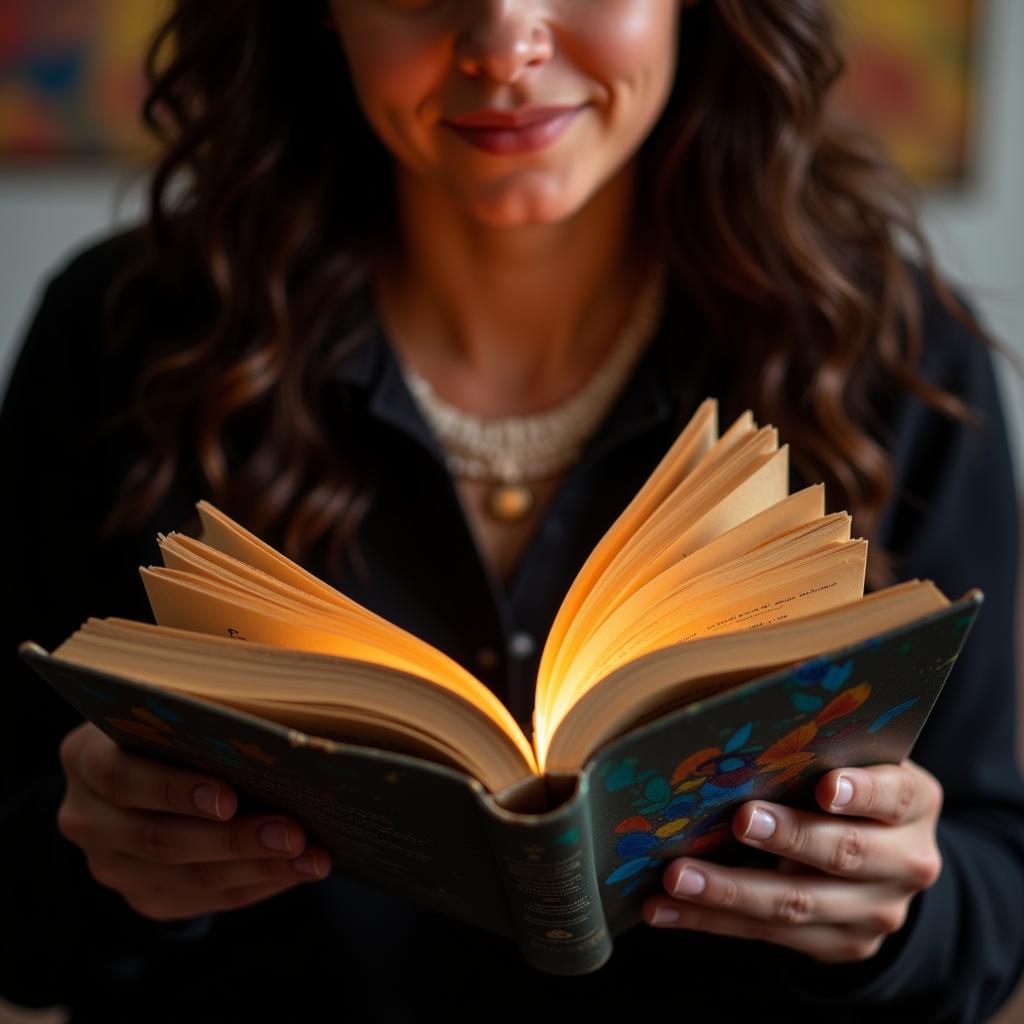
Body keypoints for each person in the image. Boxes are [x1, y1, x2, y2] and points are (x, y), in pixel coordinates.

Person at [1, 0, 1022, 1020]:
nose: (504, 43)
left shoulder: (896, 357)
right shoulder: (123, 342)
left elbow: (994, 891)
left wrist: (895, 914)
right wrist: (109, 867)